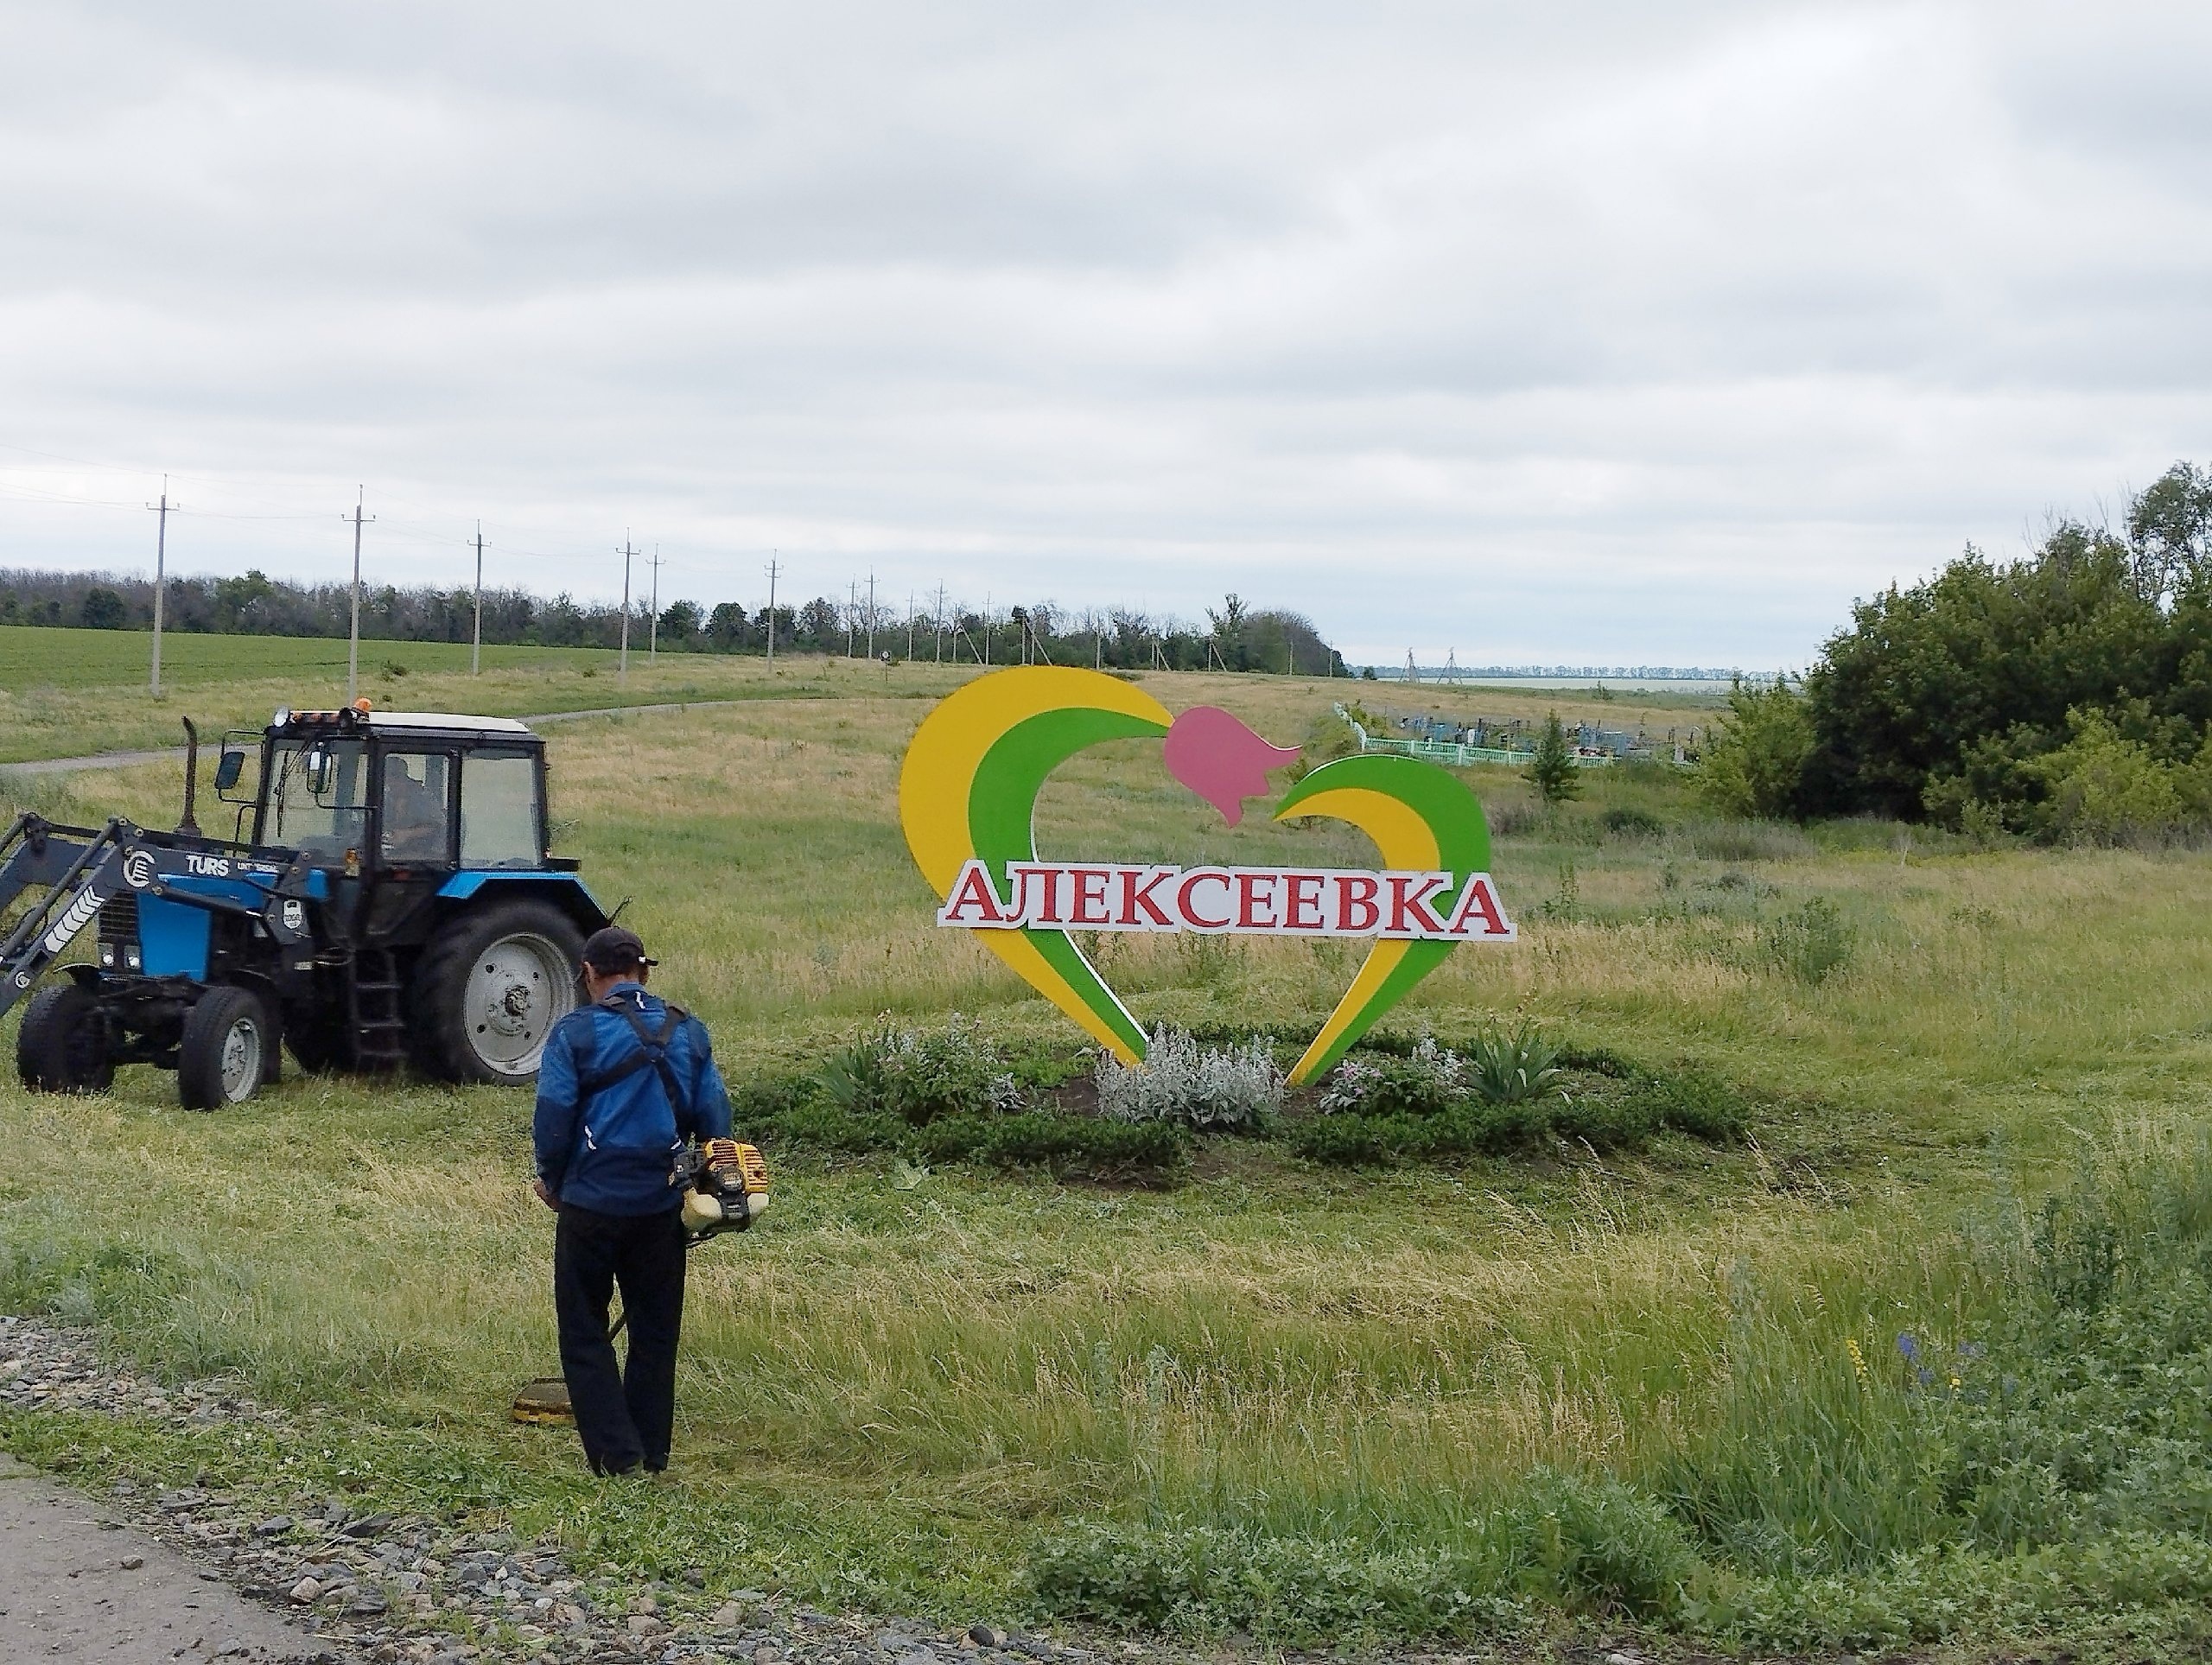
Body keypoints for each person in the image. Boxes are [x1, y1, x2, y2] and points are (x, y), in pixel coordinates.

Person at [531, 925, 732, 1476]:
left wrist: (551, 1178)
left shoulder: (574, 1034)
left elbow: (553, 1117)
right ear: (644, 973)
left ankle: (617, 1456)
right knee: (655, 1331)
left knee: (584, 1330)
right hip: (663, 1206)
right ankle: (652, 1452)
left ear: (589, 974)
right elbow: (715, 1120)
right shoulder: (689, 1031)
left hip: (590, 1205)